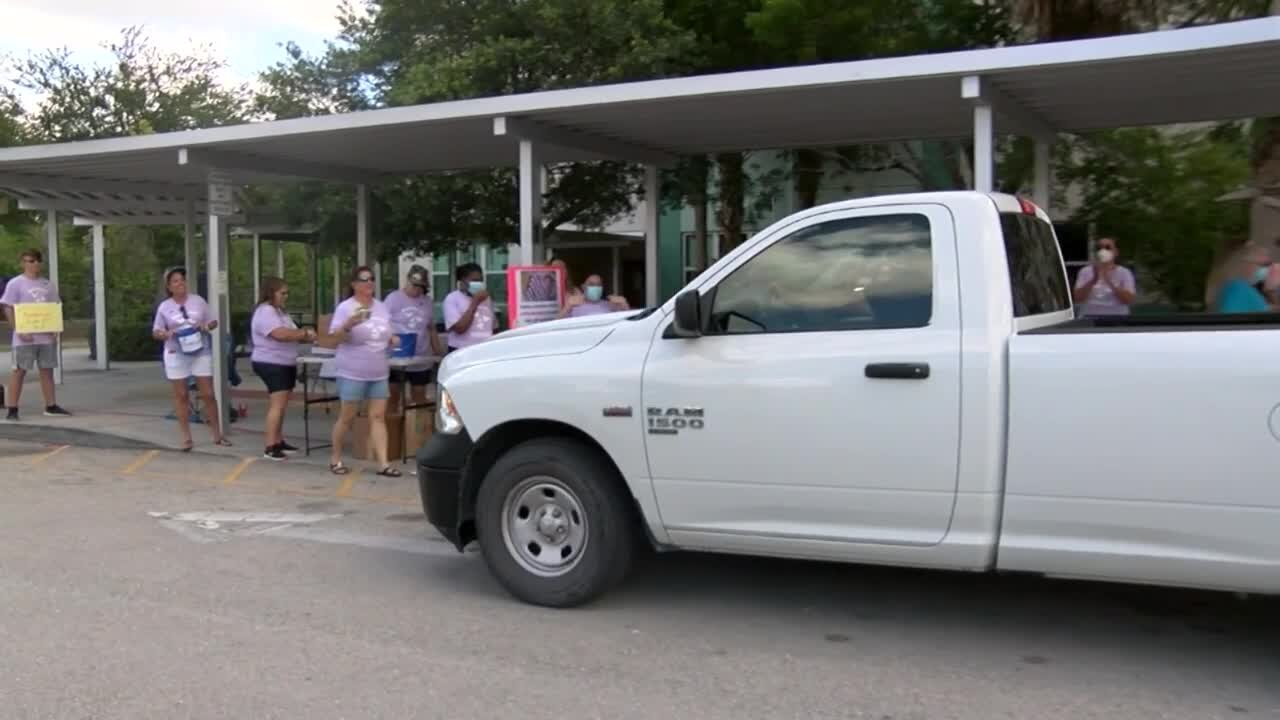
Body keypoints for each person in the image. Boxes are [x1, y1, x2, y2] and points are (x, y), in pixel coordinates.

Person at [328, 265, 400, 477]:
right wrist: (349, 324)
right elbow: (334, 338)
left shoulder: (381, 307)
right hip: (352, 369)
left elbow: (387, 331)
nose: (369, 283)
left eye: (371, 279)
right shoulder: (345, 307)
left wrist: (392, 339)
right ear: (354, 285)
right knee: (347, 417)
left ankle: (384, 463)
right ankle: (335, 459)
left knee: (378, 416)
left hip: (378, 370)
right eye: (363, 279)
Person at [151, 267, 229, 450]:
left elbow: (213, 321)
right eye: (175, 281)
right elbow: (156, 331)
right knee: (181, 395)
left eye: (182, 280)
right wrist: (166, 333)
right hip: (176, 353)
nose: (180, 284)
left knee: (208, 394)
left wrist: (206, 326)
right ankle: (186, 437)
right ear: (169, 287)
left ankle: (217, 434)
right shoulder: (165, 306)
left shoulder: (198, 301)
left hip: (200, 351)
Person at [250, 277, 316, 461]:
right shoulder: (265, 312)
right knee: (277, 404)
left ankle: (278, 440)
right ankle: (270, 446)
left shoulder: (280, 312)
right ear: (271, 293)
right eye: (282, 293)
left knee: (282, 404)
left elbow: (291, 333)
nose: (285, 296)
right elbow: (279, 334)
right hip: (271, 362)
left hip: (285, 361)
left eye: (287, 293)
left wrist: (305, 334)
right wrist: (303, 333)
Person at [2, 248, 71, 420]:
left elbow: (55, 307)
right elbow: (7, 307)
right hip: (24, 337)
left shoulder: (47, 285)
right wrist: (18, 329)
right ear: (23, 263)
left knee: (47, 370)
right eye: (29, 261)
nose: (34, 264)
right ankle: (12, 408)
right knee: (19, 371)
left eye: (36, 261)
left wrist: (55, 327)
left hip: (45, 336)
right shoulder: (15, 284)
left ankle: (50, 405)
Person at [383, 265, 443, 410]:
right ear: (407, 281)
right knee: (394, 396)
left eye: (420, 287)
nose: (416, 290)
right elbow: (382, 323)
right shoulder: (393, 298)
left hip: (420, 354)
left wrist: (438, 351)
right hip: (397, 354)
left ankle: (416, 429)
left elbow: (431, 327)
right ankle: (393, 430)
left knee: (419, 396)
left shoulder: (427, 301)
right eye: (414, 285)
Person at [1072, 237, 1136, 317]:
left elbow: (1128, 300)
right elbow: (1077, 298)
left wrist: (1109, 281)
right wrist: (1093, 281)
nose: (1103, 251)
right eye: (1099, 248)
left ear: (1116, 252)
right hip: (1089, 318)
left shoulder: (1124, 273)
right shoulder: (1085, 271)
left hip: (1117, 318)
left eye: (1107, 248)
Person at [1209, 242, 1276, 313]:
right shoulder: (1239, 289)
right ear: (1247, 264)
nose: (1268, 269)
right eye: (1264, 265)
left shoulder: (1235, 287)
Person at [443, 262, 495, 353]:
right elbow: (459, 329)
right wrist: (474, 302)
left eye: (480, 280)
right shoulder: (452, 298)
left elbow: (493, 326)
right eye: (474, 281)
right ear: (462, 281)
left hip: (484, 349)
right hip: (462, 350)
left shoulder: (486, 299)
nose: (478, 283)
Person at [557, 274, 631, 319]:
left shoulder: (610, 305)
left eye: (599, 285)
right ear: (583, 287)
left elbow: (630, 322)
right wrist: (567, 306)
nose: (596, 287)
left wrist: (624, 305)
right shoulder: (574, 306)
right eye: (591, 284)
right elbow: (557, 324)